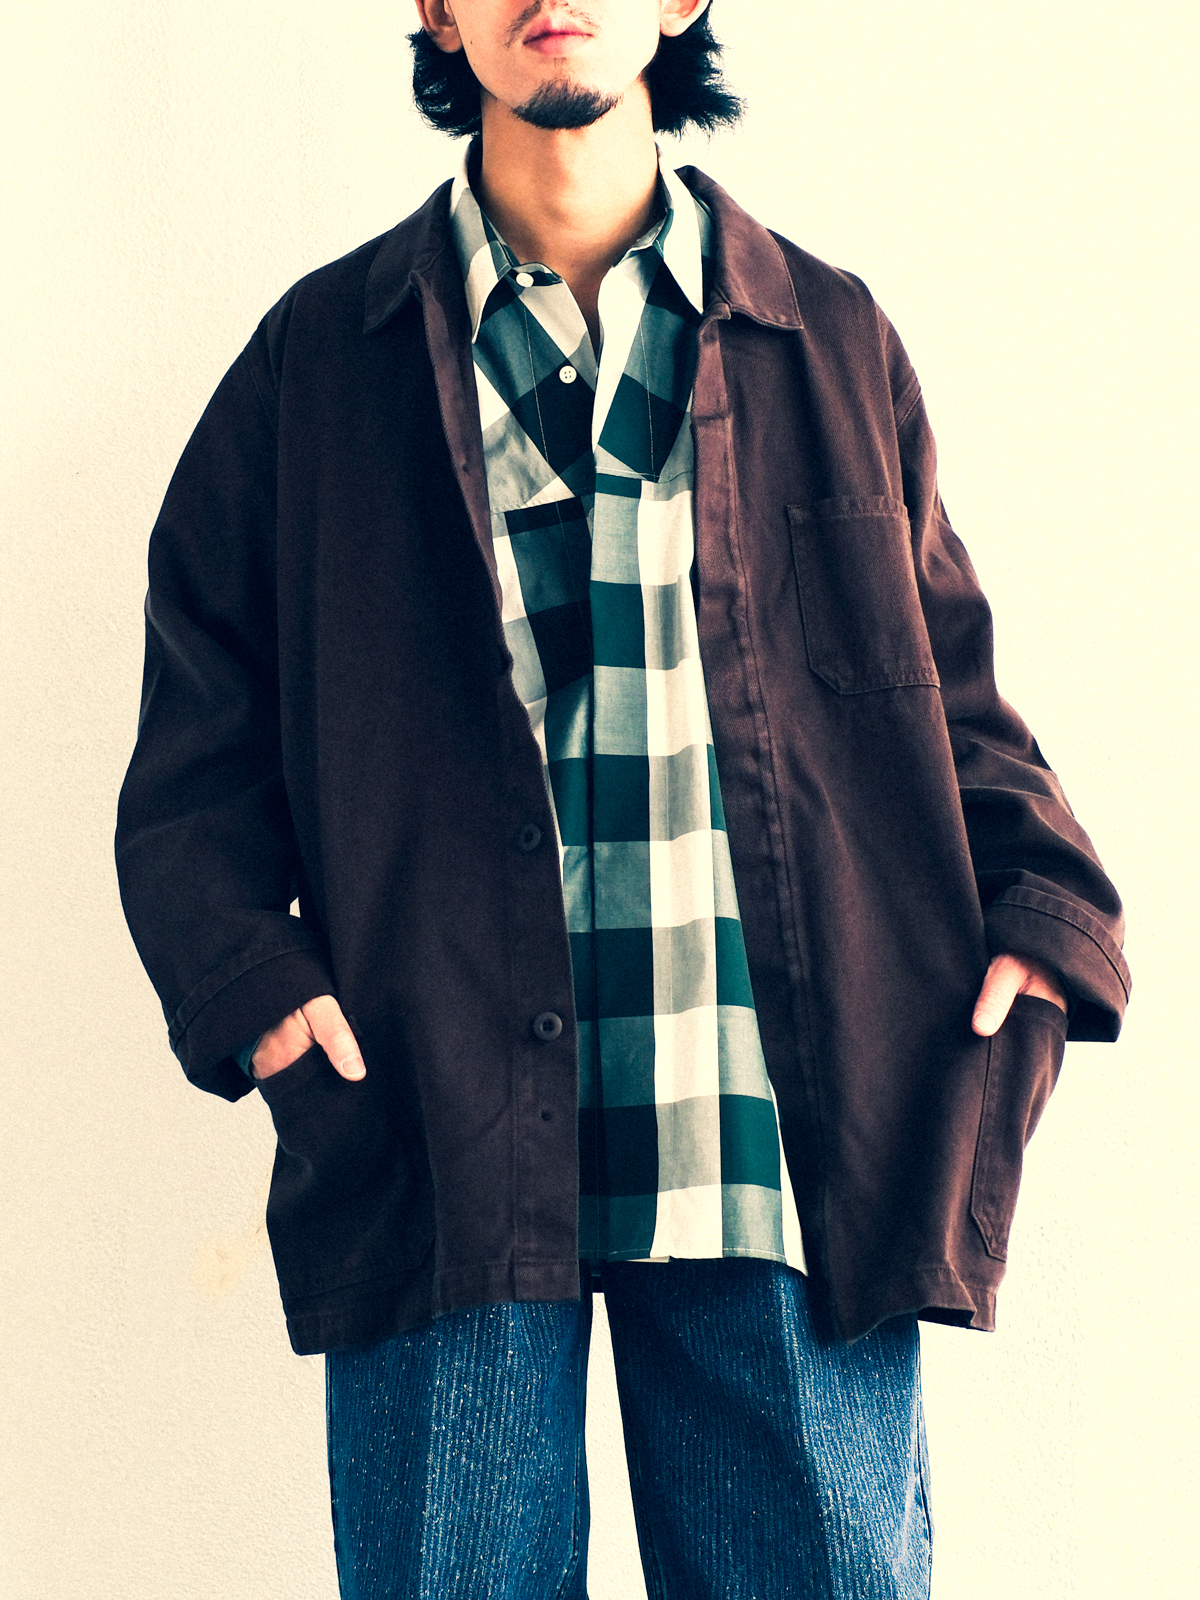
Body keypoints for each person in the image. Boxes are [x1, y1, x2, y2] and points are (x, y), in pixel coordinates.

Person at [115, 2, 1130, 1595]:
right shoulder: (320, 361)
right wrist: (255, 988)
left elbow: (940, 688)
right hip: (436, 1121)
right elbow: (196, 735)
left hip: (769, 1130)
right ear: (435, 7)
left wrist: (1047, 919)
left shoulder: (828, 338)